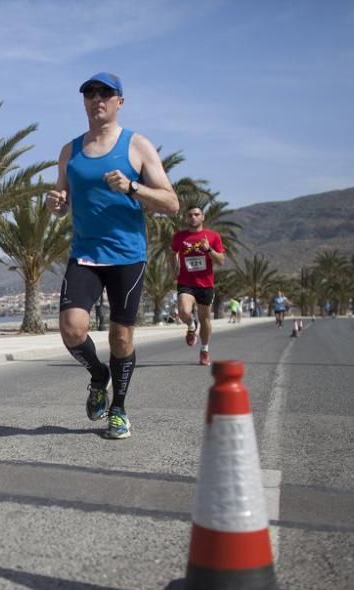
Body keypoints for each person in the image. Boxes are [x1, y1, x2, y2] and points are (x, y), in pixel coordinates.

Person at [46, 71, 179, 440]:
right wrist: (55, 204)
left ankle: (118, 408)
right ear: (84, 101)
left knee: (121, 338)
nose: (97, 98)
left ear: (120, 101)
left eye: (106, 92)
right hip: (85, 254)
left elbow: (171, 202)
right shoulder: (69, 151)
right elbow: (62, 202)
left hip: (126, 256)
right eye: (90, 93)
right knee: (72, 329)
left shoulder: (137, 145)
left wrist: (133, 186)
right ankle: (98, 375)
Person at [171, 205, 225, 366]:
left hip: (205, 284)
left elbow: (221, 261)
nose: (193, 217)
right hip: (185, 282)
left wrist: (208, 250)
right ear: (186, 218)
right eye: (190, 215)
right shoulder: (179, 237)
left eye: (196, 214)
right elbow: (172, 252)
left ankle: (204, 350)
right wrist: (174, 268)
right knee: (183, 310)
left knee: (205, 318)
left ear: (203, 217)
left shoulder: (213, 236)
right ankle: (191, 325)